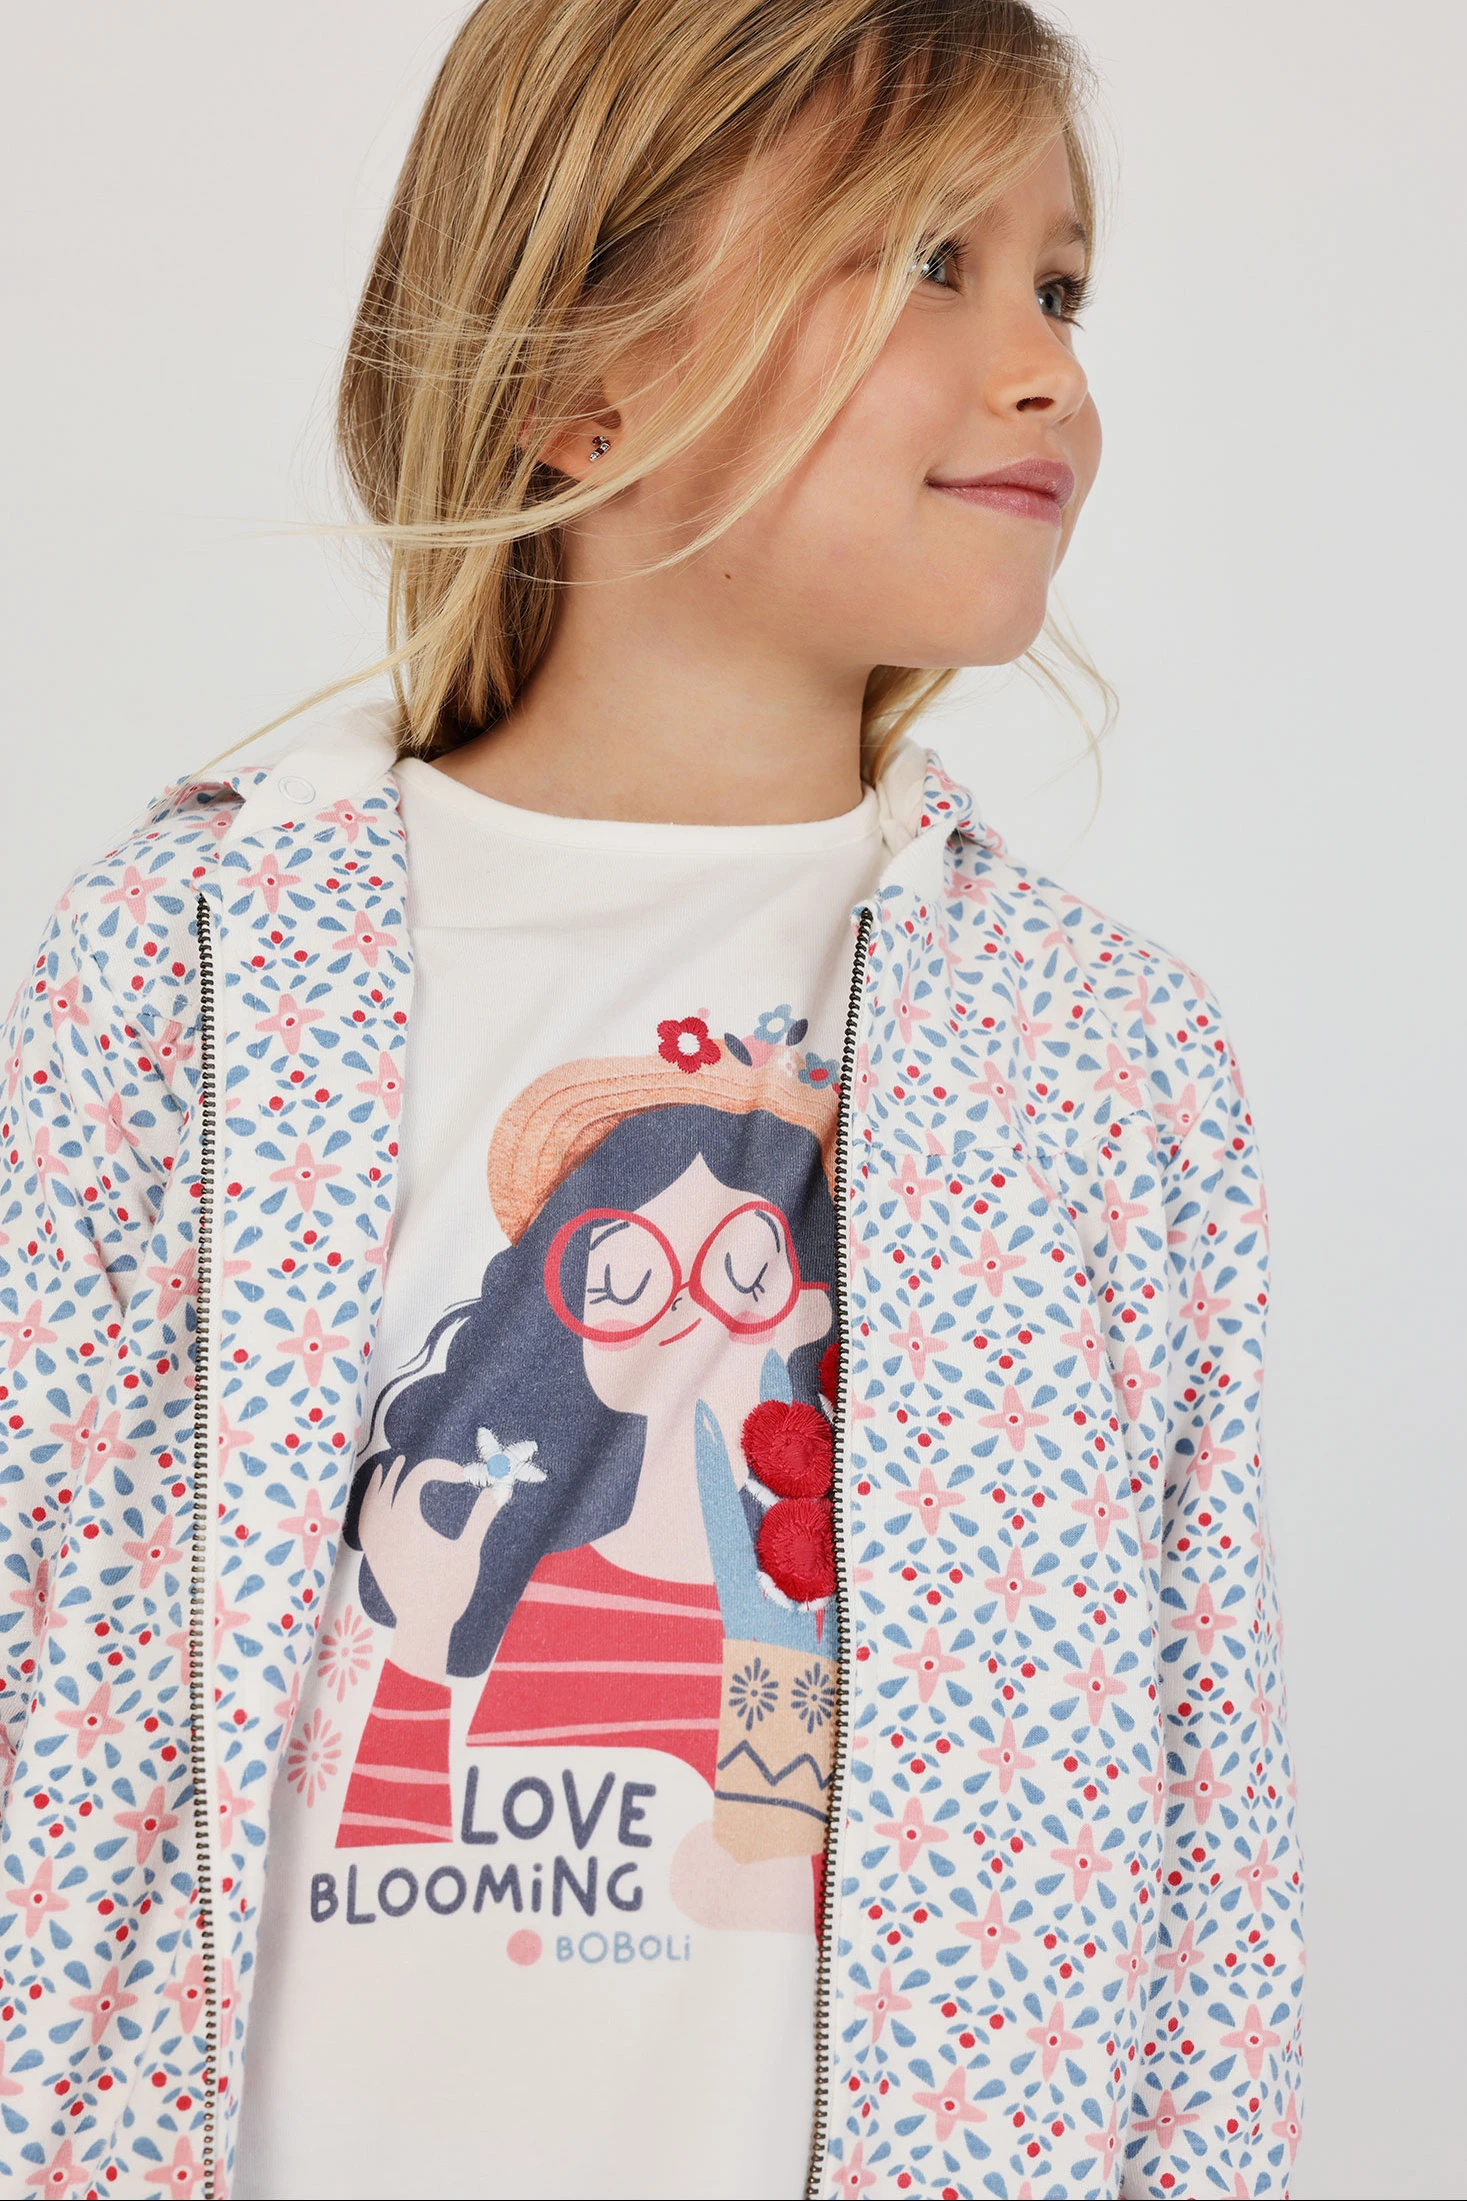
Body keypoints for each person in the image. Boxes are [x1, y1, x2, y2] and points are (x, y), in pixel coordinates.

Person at [0, 1, 1303, 2196]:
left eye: (1060, 286)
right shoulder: (189, 968)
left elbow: (1213, 1860)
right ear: (574, 369)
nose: (1044, 373)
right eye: (923, 259)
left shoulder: (1108, 1060)